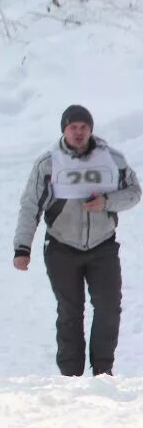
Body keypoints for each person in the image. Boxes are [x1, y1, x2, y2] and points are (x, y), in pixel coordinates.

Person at [14, 105, 140, 377]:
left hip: (103, 245)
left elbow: (134, 192)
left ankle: (103, 373)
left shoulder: (112, 160)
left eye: (84, 127)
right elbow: (30, 205)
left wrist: (107, 202)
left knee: (109, 308)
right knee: (70, 312)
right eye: (73, 127)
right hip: (61, 246)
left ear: (91, 130)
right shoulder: (48, 163)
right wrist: (22, 248)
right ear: (64, 130)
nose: (79, 132)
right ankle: (71, 377)